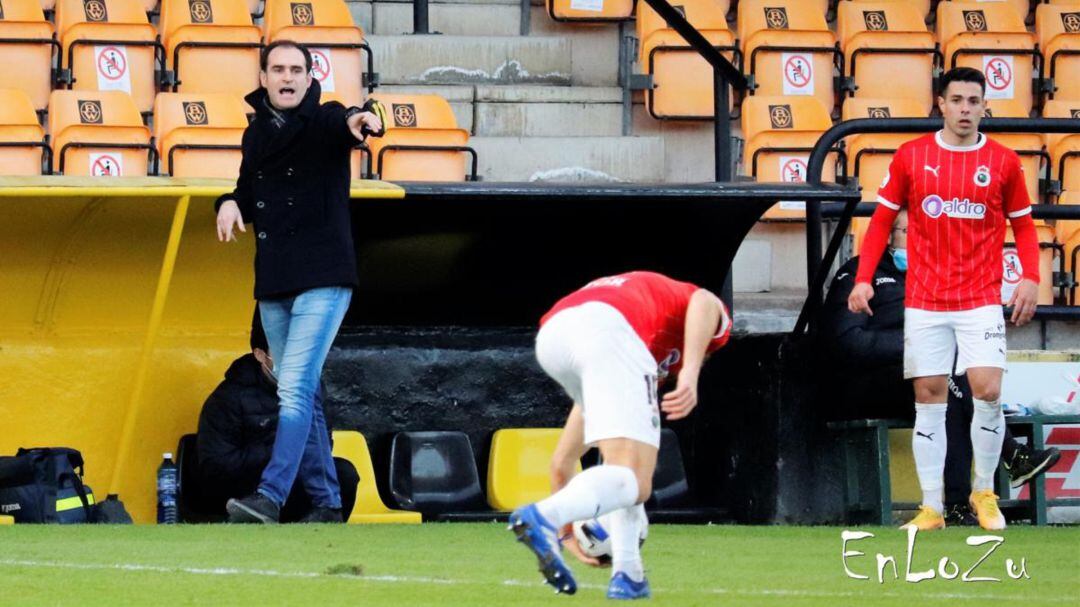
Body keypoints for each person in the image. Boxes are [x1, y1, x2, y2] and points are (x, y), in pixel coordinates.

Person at [848, 67, 1042, 531]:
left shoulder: (1003, 162)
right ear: (941, 103)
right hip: (926, 298)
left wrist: (1031, 277)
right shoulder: (913, 157)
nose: (965, 110)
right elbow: (880, 221)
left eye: (974, 101)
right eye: (957, 100)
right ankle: (932, 507)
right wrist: (863, 278)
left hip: (979, 297)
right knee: (928, 397)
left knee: (988, 390)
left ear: (985, 106)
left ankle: (984, 493)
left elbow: (1025, 226)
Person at [214, 40, 383, 524]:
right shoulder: (256, 134)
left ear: (309, 78)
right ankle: (328, 502)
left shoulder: (324, 119)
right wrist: (227, 202)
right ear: (263, 77)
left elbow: (347, 121)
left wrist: (362, 120)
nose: (287, 77)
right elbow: (248, 191)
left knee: (292, 389)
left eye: (296, 70)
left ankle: (270, 494)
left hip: (324, 275)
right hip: (275, 279)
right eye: (278, 69)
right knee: (299, 388)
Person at [822, 211, 1060, 525]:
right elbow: (848, 342)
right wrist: (915, 345)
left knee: (954, 379)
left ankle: (961, 506)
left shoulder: (935, 277)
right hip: (865, 382)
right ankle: (1010, 458)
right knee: (945, 372)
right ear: (889, 235)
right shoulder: (857, 276)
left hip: (928, 376)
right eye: (912, 230)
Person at [507, 271, 731, 599]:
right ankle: (545, 516)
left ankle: (628, 576)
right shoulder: (673, 326)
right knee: (635, 480)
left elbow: (562, 462)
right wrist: (689, 374)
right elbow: (706, 301)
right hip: (608, 330)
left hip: (554, 337)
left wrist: (566, 537)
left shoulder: (637, 346)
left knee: (623, 470)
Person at [195, 315, 359, 523]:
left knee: (343, 473)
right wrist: (278, 449)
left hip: (292, 484)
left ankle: (321, 533)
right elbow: (214, 468)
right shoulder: (227, 398)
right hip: (243, 489)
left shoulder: (312, 390)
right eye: (283, 352)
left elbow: (323, 446)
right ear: (260, 355)